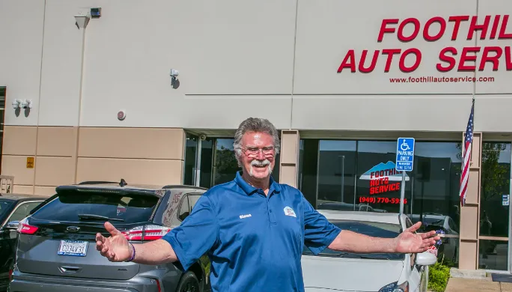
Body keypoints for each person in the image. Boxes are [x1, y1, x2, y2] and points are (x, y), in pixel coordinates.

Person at [96, 117, 440, 291]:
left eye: (267, 149)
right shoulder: (219, 202)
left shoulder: (291, 198)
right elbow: (175, 246)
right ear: (239, 155)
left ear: (275, 153)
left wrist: (393, 244)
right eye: (252, 150)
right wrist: (132, 252)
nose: (260, 157)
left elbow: (337, 237)